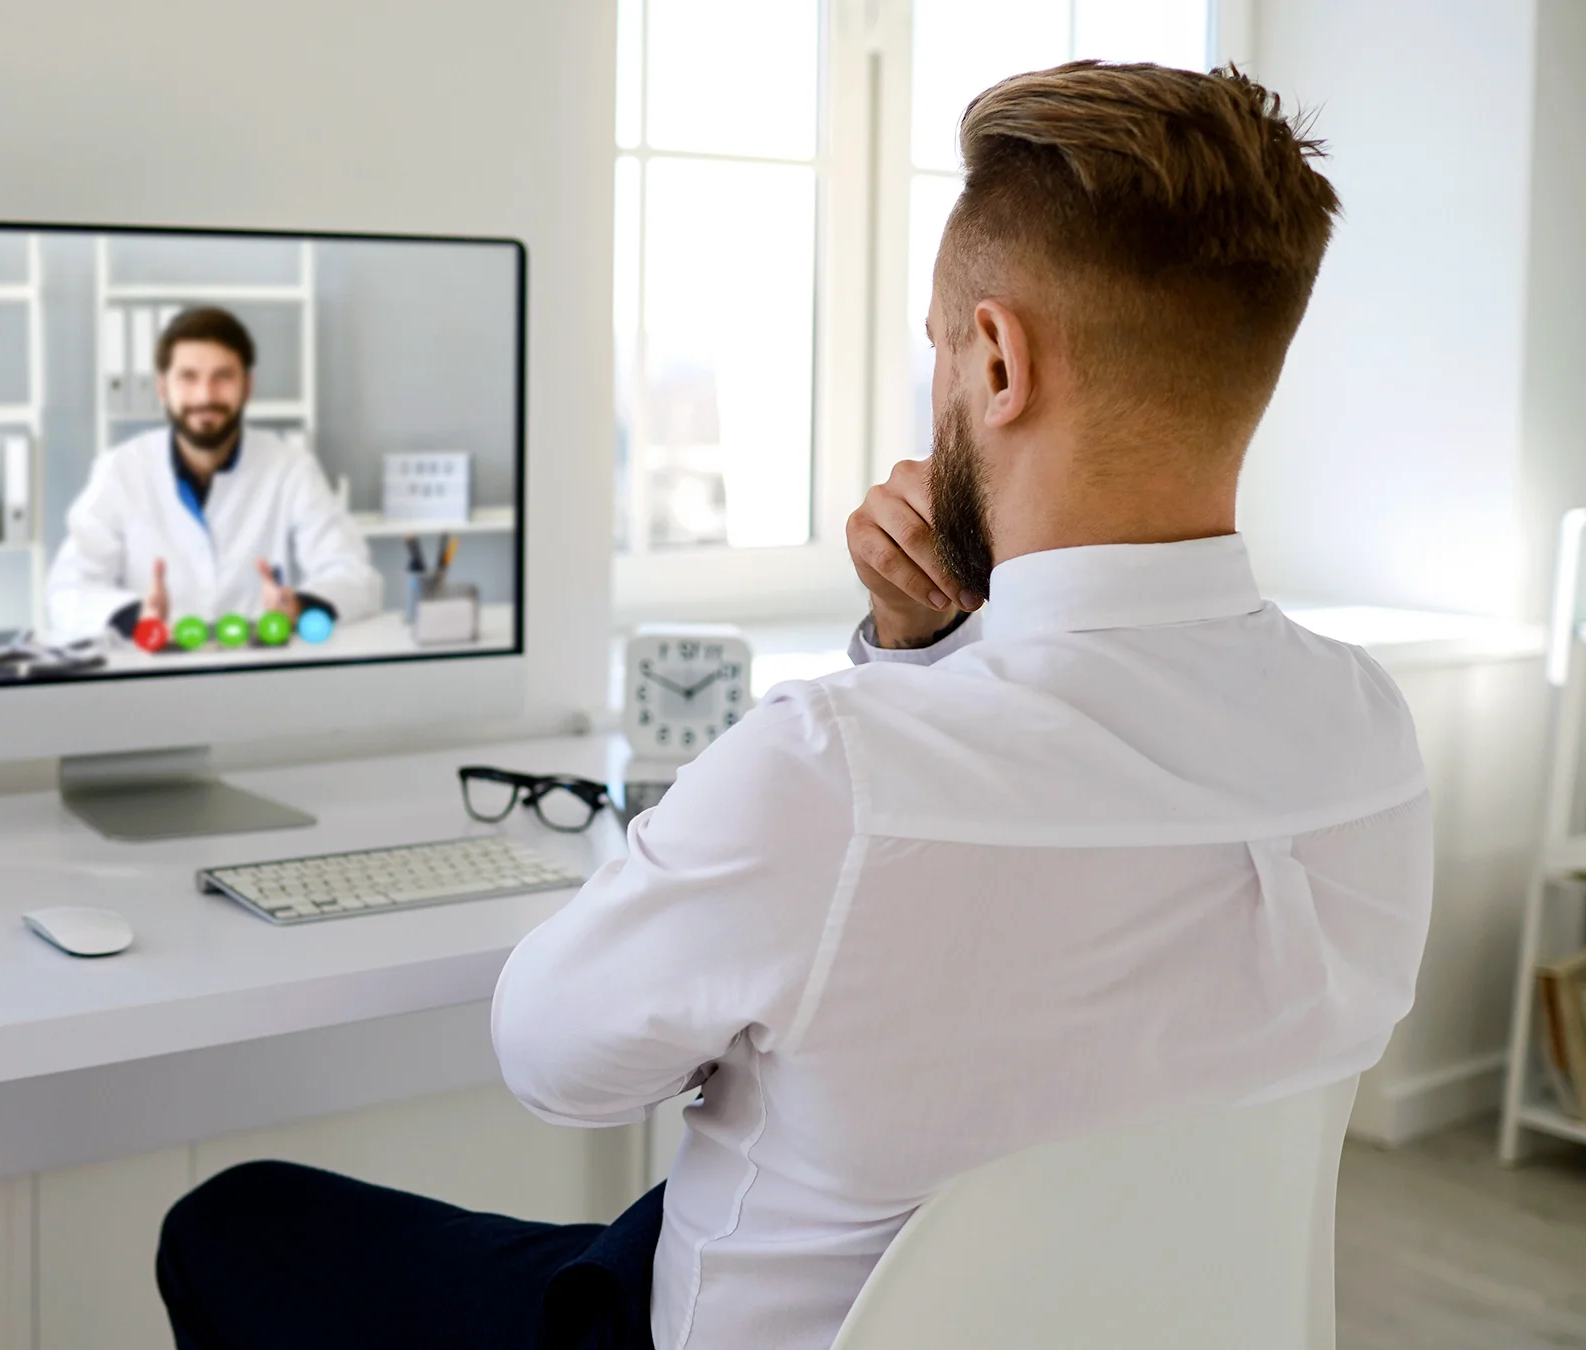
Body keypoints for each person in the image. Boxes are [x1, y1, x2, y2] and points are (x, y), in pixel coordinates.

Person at [154, 61, 1431, 1350]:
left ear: (997, 361)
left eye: (939, 346)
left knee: (235, 1223)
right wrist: (923, 654)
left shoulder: (832, 772)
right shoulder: (1369, 737)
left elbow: (554, 1062)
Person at [45, 307, 382, 641]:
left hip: (259, 663)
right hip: (154, 665)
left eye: (223, 377)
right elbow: (69, 587)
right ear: (162, 389)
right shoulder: (121, 470)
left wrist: (298, 607)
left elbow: (355, 575)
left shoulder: (291, 468)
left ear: (247, 387)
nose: (205, 395)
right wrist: (135, 617)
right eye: (188, 377)